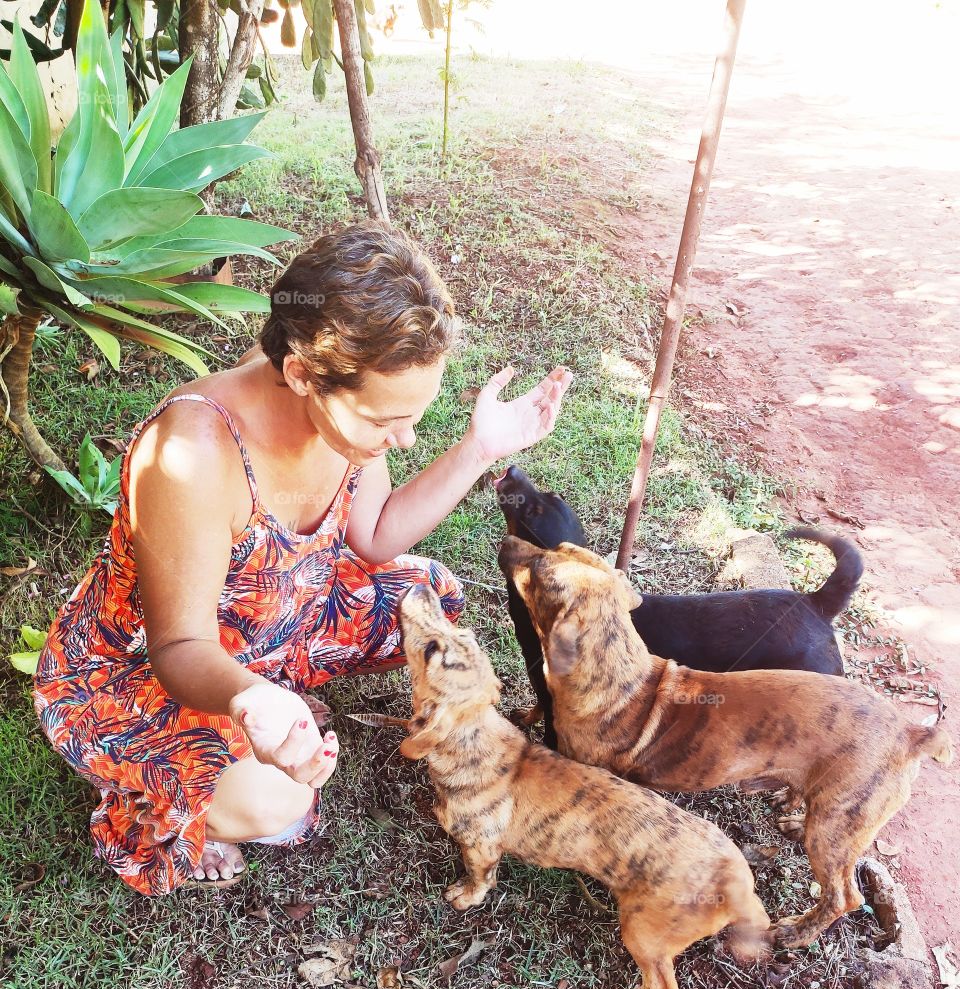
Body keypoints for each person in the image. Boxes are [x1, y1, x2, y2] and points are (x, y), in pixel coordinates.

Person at [34, 221, 572, 895]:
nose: (403, 439)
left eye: (414, 416)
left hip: (280, 617)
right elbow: (178, 645)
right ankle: (143, 804)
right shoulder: (194, 453)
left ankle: (268, 708)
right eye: (384, 421)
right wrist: (253, 696)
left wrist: (480, 449)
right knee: (280, 808)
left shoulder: (343, 424)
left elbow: (373, 534)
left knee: (429, 597)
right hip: (146, 669)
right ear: (301, 373)